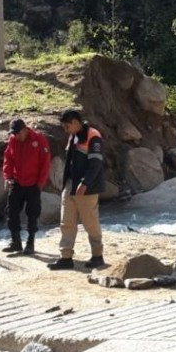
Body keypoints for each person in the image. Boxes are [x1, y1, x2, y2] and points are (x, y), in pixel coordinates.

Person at [48, 110, 106, 271]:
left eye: (67, 126)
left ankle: (97, 256)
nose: (65, 129)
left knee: (90, 222)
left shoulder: (93, 136)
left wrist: (85, 183)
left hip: (87, 188)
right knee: (66, 222)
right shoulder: (73, 136)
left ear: (75, 122)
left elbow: (96, 164)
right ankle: (66, 257)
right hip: (70, 185)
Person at [1, 119, 52, 256]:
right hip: (17, 182)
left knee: (32, 214)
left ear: (24, 130)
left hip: (33, 184)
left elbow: (45, 163)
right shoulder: (13, 140)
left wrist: (40, 183)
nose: (15, 136)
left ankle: (30, 243)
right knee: (11, 212)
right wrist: (7, 177)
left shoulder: (39, 139)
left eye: (17, 133)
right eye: (13, 134)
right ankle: (15, 242)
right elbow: (8, 160)